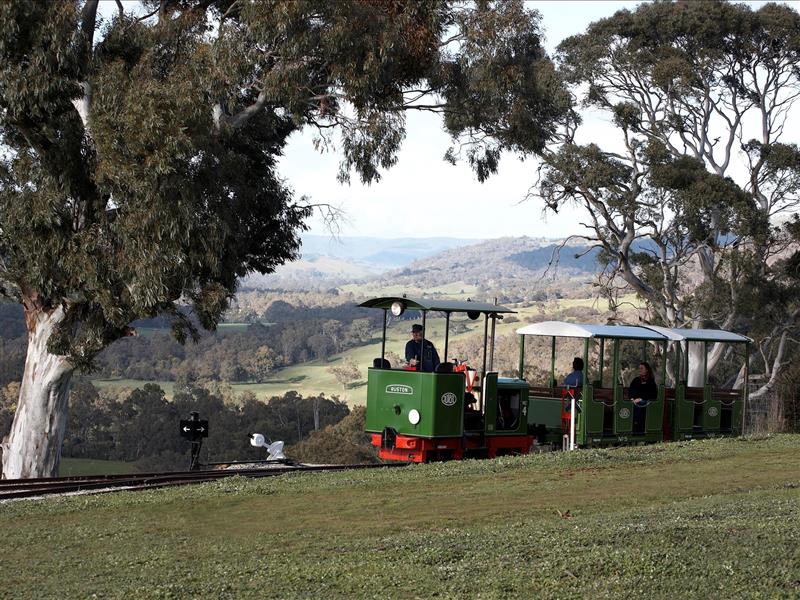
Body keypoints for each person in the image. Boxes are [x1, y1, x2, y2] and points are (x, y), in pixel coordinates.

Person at [629, 361, 657, 434]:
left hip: (646, 402)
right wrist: (632, 398)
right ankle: (628, 425)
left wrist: (641, 398)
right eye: (639, 368)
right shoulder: (636, 380)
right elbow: (631, 391)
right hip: (633, 400)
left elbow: (652, 394)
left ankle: (636, 423)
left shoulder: (651, 382)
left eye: (642, 368)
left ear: (646, 370)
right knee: (627, 404)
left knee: (641, 403)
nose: (640, 369)